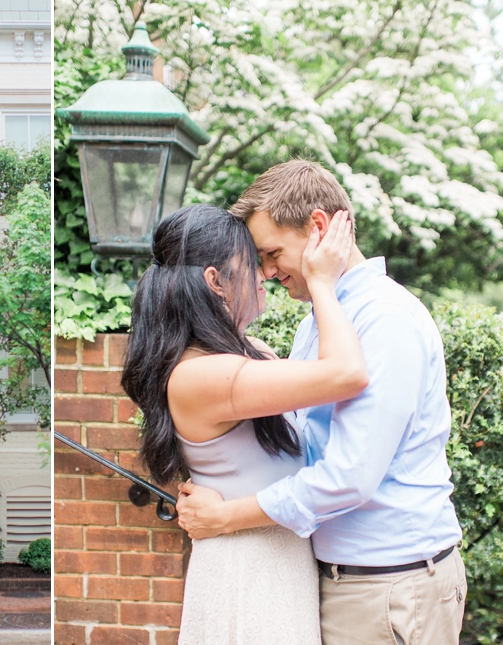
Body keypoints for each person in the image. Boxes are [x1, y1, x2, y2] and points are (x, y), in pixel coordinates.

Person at [175, 160, 466, 645]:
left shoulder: (384, 320)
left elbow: (349, 476)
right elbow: (300, 444)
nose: (266, 272)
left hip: (389, 582)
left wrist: (229, 515)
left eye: (272, 253)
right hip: (340, 579)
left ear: (317, 228)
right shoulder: (319, 320)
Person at [120, 202, 367, 644]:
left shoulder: (244, 354)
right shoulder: (204, 375)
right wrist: (323, 283)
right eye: (251, 262)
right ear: (215, 281)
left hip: (273, 561)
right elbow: (346, 374)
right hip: (248, 573)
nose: (263, 274)